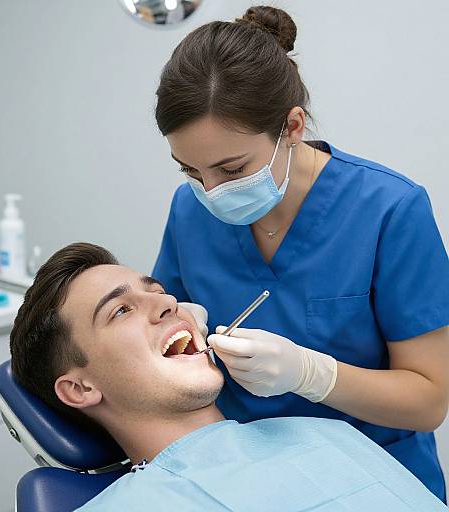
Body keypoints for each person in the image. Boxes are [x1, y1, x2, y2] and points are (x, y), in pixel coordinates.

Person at [151, 4, 449, 501]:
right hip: (246, 477)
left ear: (292, 127)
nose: (211, 190)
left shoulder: (389, 210)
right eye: (189, 171)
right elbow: (167, 322)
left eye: (231, 169)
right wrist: (180, 323)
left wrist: (312, 374)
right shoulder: (190, 208)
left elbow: (429, 401)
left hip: (374, 480)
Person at [10, 243, 447, 511]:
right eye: (121, 310)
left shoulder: (325, 435)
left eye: (159, 292)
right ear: (80, 388)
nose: (168, 305)